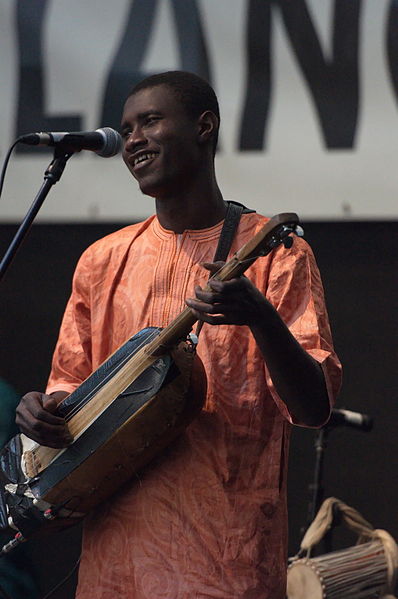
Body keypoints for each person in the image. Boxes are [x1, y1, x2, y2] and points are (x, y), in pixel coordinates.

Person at [16, 71, 342, 598]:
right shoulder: (101, 262)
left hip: (225, 557)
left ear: (204, 127)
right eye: (126, 128)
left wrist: (259, 317)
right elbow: (69, 392)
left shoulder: (277, 254)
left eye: (150, 121)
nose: (134, 139)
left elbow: (313, 407)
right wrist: (43, 413)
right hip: (115, 564)